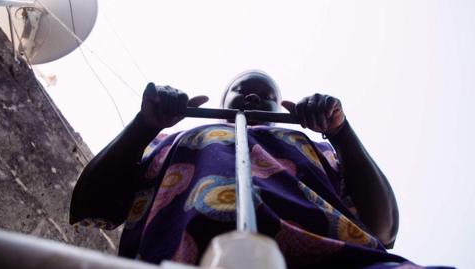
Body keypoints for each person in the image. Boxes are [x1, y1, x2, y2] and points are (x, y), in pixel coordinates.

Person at [69, 71, 446, 268]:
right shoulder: (174, 140)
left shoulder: (318, 150)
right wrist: (145, 124)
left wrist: (341, 132)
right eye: (241, 90)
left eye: (264, 93)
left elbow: (384, 229)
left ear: (279, 106)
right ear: (223, 99)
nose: (252, 96)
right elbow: (90, 205)